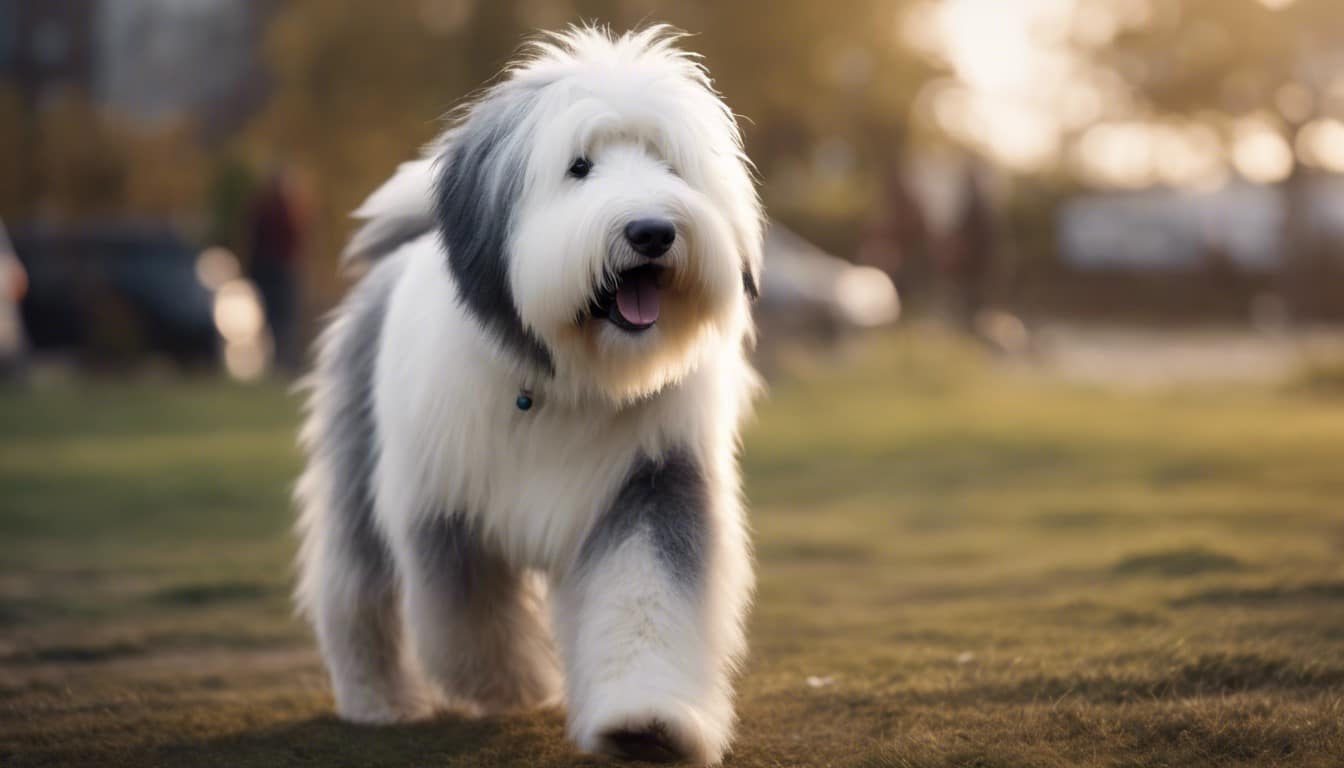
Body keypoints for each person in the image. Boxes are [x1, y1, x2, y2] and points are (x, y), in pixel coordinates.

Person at [248, 169, 305, 373]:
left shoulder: (281, 211)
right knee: (276, 319)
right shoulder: (280, 211)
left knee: (281, 319)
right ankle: (277, 361)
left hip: (277, 271)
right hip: (274, 272)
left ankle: (282, 361)